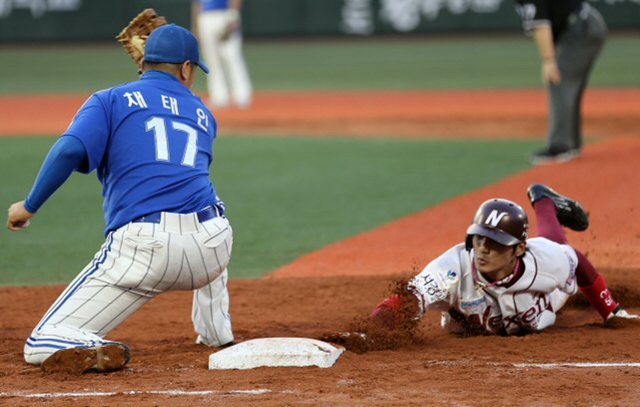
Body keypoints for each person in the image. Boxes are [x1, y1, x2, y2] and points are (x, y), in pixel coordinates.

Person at [7, 24, 235, 374]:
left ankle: (95, 345)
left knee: (44, 343)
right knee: (205, 199)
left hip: (146, 254)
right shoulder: (204, 115)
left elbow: (69, 150)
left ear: (142, 60)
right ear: (187, 69)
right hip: (211, 251)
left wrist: (29, 206)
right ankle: (218, 333)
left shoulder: (109, 99)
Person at [345, 184, 638, 341]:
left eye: (496, 243)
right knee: (551, 242)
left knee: (556, 242)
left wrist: (611, 311)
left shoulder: (544, 262)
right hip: (485, 321)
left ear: (518, 249)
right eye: (479, 238)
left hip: (548, 299)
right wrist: (369, 331)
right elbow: (407, 299)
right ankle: (544, 199)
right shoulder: (453, 269)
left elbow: (576, 259)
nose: (483, 248)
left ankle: (543, 200)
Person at [515, 1, 607, 165]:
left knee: (557, 79)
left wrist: (548, 60)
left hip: (580, 28)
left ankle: (560, 147)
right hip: (585, 23)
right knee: (569, 84)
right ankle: (571, 144)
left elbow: (540, 25)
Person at [192, 0, 252, 109]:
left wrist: (233, 15)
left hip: (224, 15)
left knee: (232, 55)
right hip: (205, 17)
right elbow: (197, 4)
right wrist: (196, 27)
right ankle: (219, 96)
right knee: (212, 60)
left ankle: (242, 95)